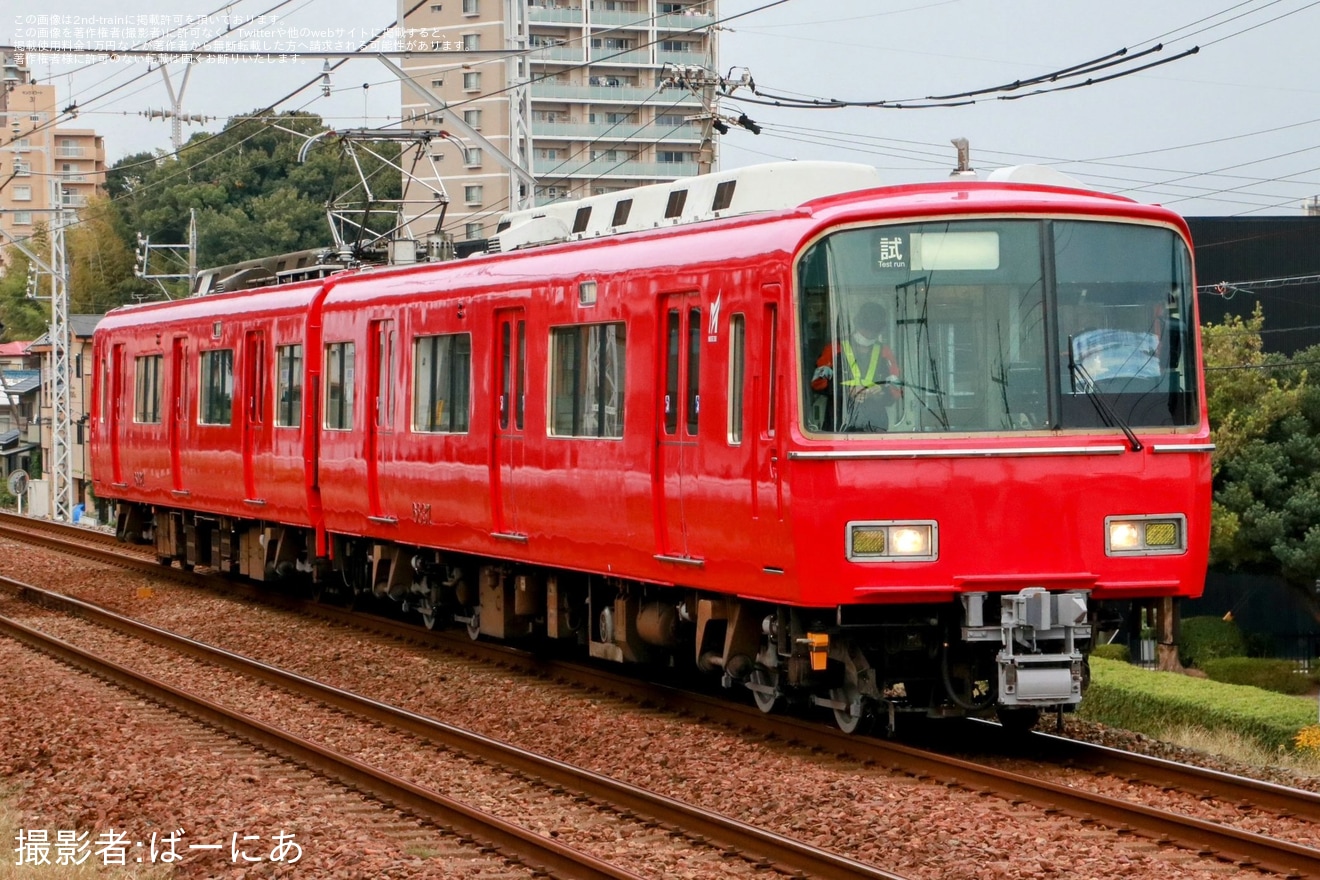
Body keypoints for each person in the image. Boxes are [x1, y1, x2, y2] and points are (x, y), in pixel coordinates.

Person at [812, 301, 901, 431]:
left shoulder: (885, 352)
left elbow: (896, 390)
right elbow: (817, 383)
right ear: (857, 324)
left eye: (873, 331)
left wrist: (880, 392)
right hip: (839, 424)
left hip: (875, 426)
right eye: (866, 329)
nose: (869, 334)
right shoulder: (834, 349)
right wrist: (847, 392)